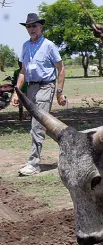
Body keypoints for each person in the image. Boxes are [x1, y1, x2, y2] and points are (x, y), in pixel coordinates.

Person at [11, 13, 67, 176]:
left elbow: (61, 68)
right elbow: (23, 71)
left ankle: (33, 164)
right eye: (28, 26)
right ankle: (72, 146)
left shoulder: (49, 45)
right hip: (31, 89)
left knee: (37, 124)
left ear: (41, 27)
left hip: (46, 86)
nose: (31, 29)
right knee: (44, 125)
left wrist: (59, 92)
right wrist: (17, 92)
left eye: (34, 26)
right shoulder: (25, 46)